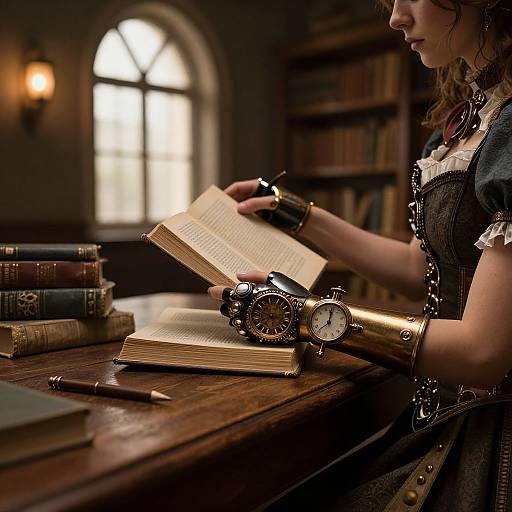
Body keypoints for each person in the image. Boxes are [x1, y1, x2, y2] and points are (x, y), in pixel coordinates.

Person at [208, 0, 512, 509]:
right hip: (432, 413)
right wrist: (296, 214)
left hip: (491, 433)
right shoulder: (457, 130)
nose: (396, 17)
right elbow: (418, 270)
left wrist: (305, 315)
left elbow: (483, 354)